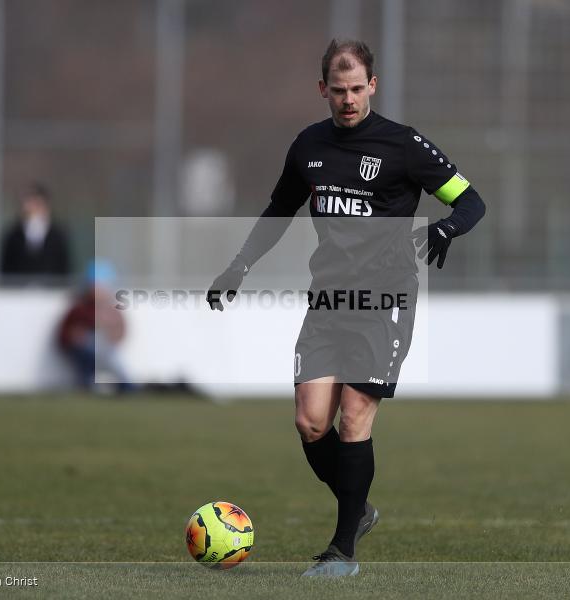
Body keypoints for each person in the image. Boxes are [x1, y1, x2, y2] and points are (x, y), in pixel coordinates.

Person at [206, 39, 486, 577]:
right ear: (323, 90)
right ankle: (360, 510)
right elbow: (278, 210)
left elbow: (471, 200)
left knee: (355, 418)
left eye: (358, 89)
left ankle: (342, 552)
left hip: (385, 300)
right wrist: (239, 266)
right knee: (311, 423)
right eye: (339, 90)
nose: (349, 99)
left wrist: (447, 227)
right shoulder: (308, 145)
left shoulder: (403, 146)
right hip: (329, 299)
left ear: (372, 86)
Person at [58, 259, 134, 392]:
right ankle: (88, 385)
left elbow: (120, 331)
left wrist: (111, 334)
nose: (98, 291)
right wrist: (75, 338)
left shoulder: (111, 311)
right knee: (91, 353)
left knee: (111, 357)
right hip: (85, 350)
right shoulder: (79, 310)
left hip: (104, 349)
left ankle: (126, 386)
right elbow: (65, 335)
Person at [0, 183, 71, 284]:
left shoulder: (58, 235)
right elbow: (6, 269)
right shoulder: (13, 235)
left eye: (34, 202)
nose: (29, 206)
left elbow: (64, 267)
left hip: (50, 293)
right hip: (18, 294)